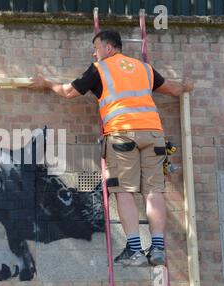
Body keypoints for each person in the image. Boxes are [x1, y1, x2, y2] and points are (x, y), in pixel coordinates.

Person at [29, 29, 194, 267]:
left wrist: (46, 83)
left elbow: (68, 92)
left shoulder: (100, 69)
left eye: (96, 48)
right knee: (153, 191)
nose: (93, 53)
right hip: (153, 135)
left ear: (108, 48)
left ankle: (135, 250)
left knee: (124, 191)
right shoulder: (144, 68)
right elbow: (174, 89)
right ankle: (157, 248)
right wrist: (187, 85)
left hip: (121, 135)